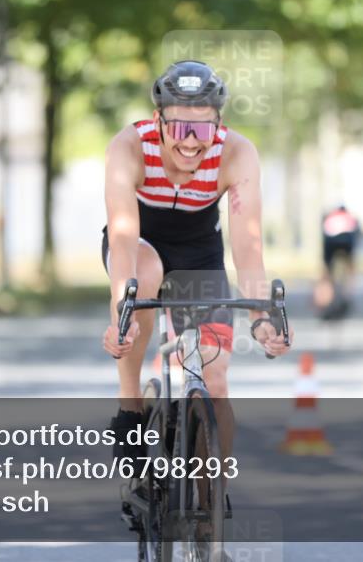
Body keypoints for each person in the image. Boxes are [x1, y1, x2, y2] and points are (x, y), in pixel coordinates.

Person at [100, 60, 294, 462]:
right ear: (158, 120)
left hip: (200, 252)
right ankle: (130, 406)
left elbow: (248, 244)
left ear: (219, 124)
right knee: (146, 274)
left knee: (216, 379)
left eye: (203, 128)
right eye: (179, 127)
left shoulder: (236, 153)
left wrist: (260, 317)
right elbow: (121, 237)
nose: (191, 141)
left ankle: (210, 508)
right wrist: (122, 314)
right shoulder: (129, 147)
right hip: (141, 243)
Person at [315, 204, 359, 319]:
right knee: (350, 268)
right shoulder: (350, 217)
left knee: (326, 273)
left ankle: (324, 300)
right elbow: (357, 234)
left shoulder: (330, 217)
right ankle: (348, 294)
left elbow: (324, 233)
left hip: (330, 242)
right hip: (348, 241)